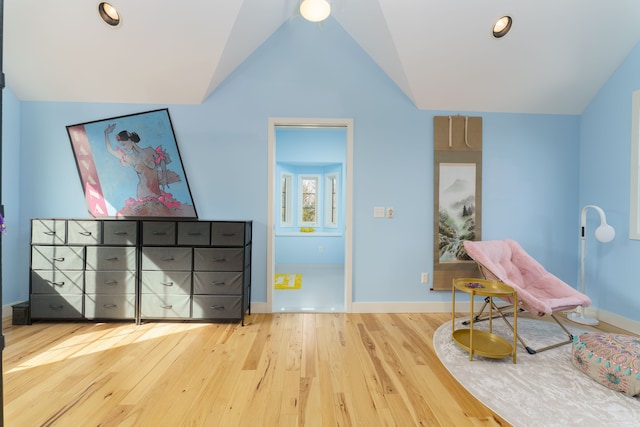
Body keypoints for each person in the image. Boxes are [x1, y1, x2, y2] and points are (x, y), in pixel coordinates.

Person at [104, 123, 180, 201]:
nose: (123, 148)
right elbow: (110, 150)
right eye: (122, 145)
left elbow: (162, 161)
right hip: (143, 193)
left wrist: (164, 177)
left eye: (124, 144)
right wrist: (106, 133)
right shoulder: (130, 158)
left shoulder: (149, 151)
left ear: (130, 140)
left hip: (156, 192)